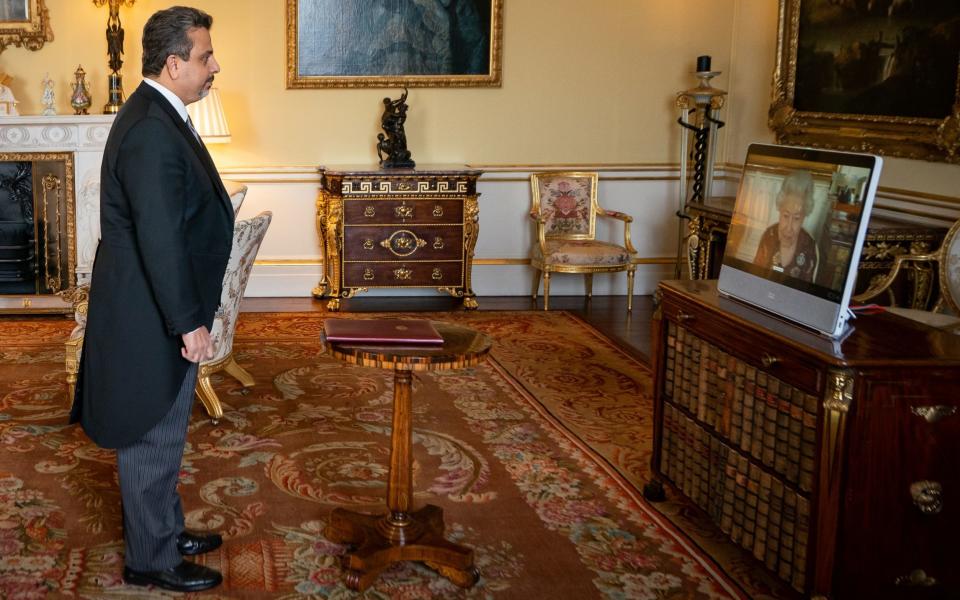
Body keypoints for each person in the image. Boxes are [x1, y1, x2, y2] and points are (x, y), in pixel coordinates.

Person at [70, 6, 232, 593]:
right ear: (173, 62)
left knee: (166, 432)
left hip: (154, 304)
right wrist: (189, 322)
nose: (214, 66)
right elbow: (159, 237)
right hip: (152, 314)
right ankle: (151, 558)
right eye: (205, 56)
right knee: (151, 433)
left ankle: (164, 528)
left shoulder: (160, 115)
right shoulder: (149, 129)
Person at [753, 170, 819, 282]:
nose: (789, 227)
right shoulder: (769, 236)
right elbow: (754, 276)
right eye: (785, 216)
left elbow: (806, 291)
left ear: (804, 218)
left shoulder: (809, 247)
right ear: (780, 211)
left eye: (797, 218)